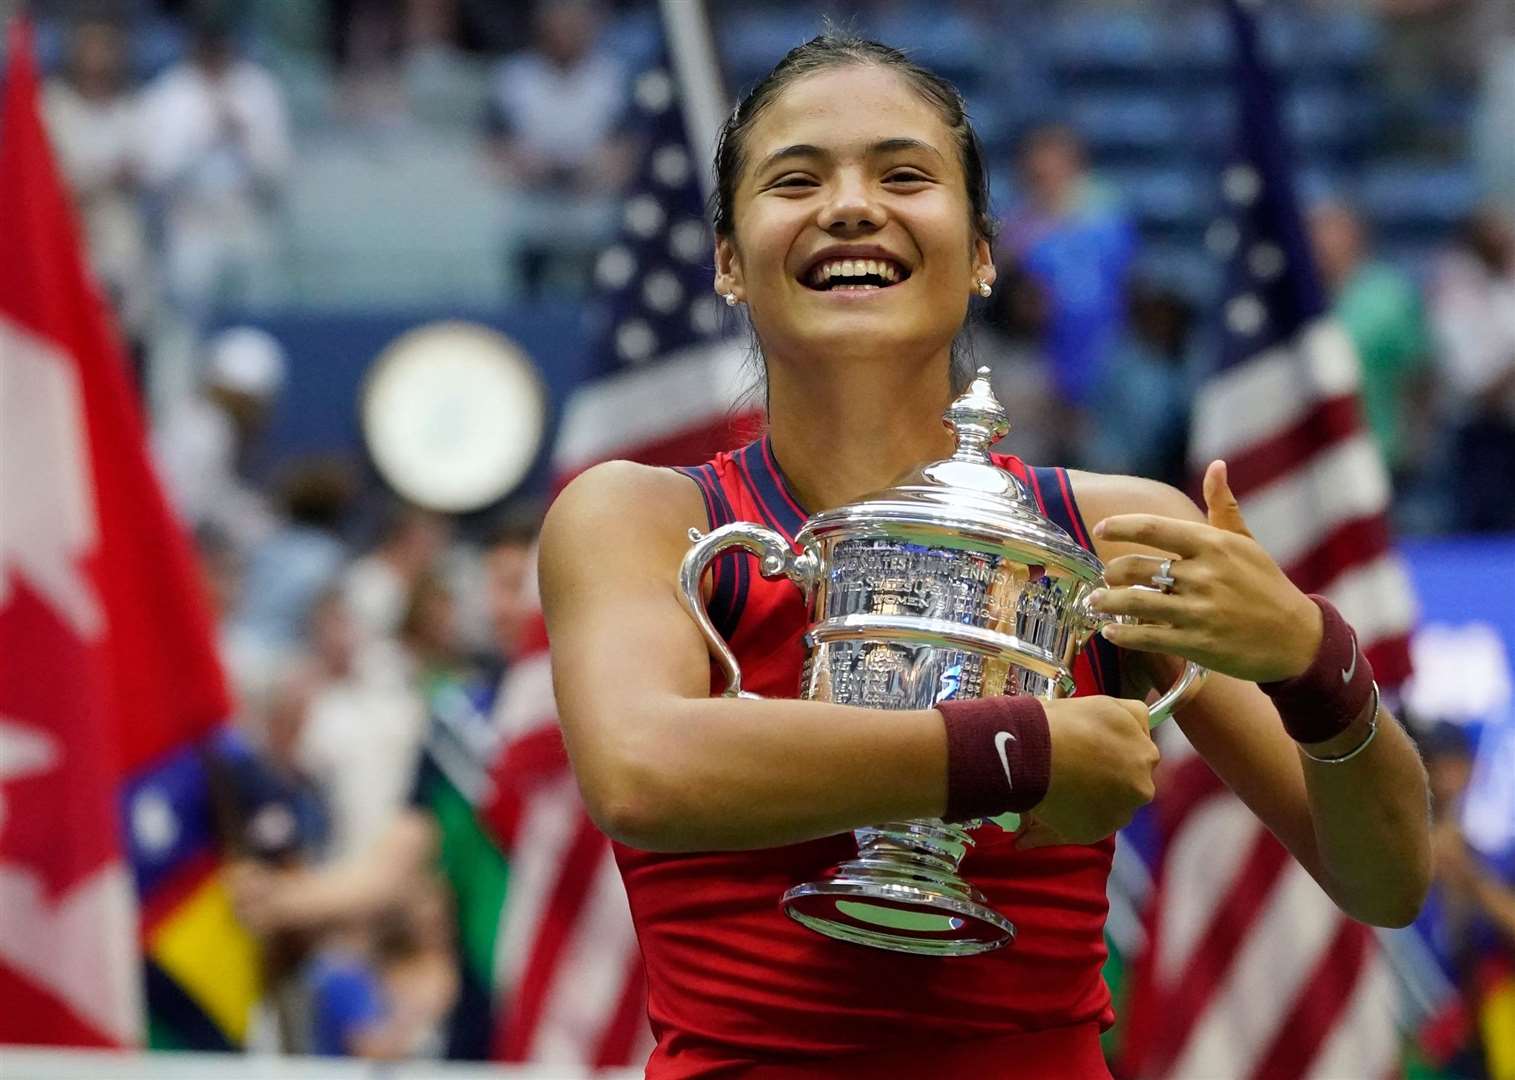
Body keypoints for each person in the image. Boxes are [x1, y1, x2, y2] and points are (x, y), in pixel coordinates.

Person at [538, 32, 1432, 1078]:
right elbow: (642, 769)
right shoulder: (634, 517)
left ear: (981, 256)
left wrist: (1311, 662)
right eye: (796, 179)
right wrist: (1025, 752)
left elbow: (1386, 883)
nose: (851, 204)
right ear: (729, 264)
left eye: (904, 174)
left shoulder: (1112, 531)